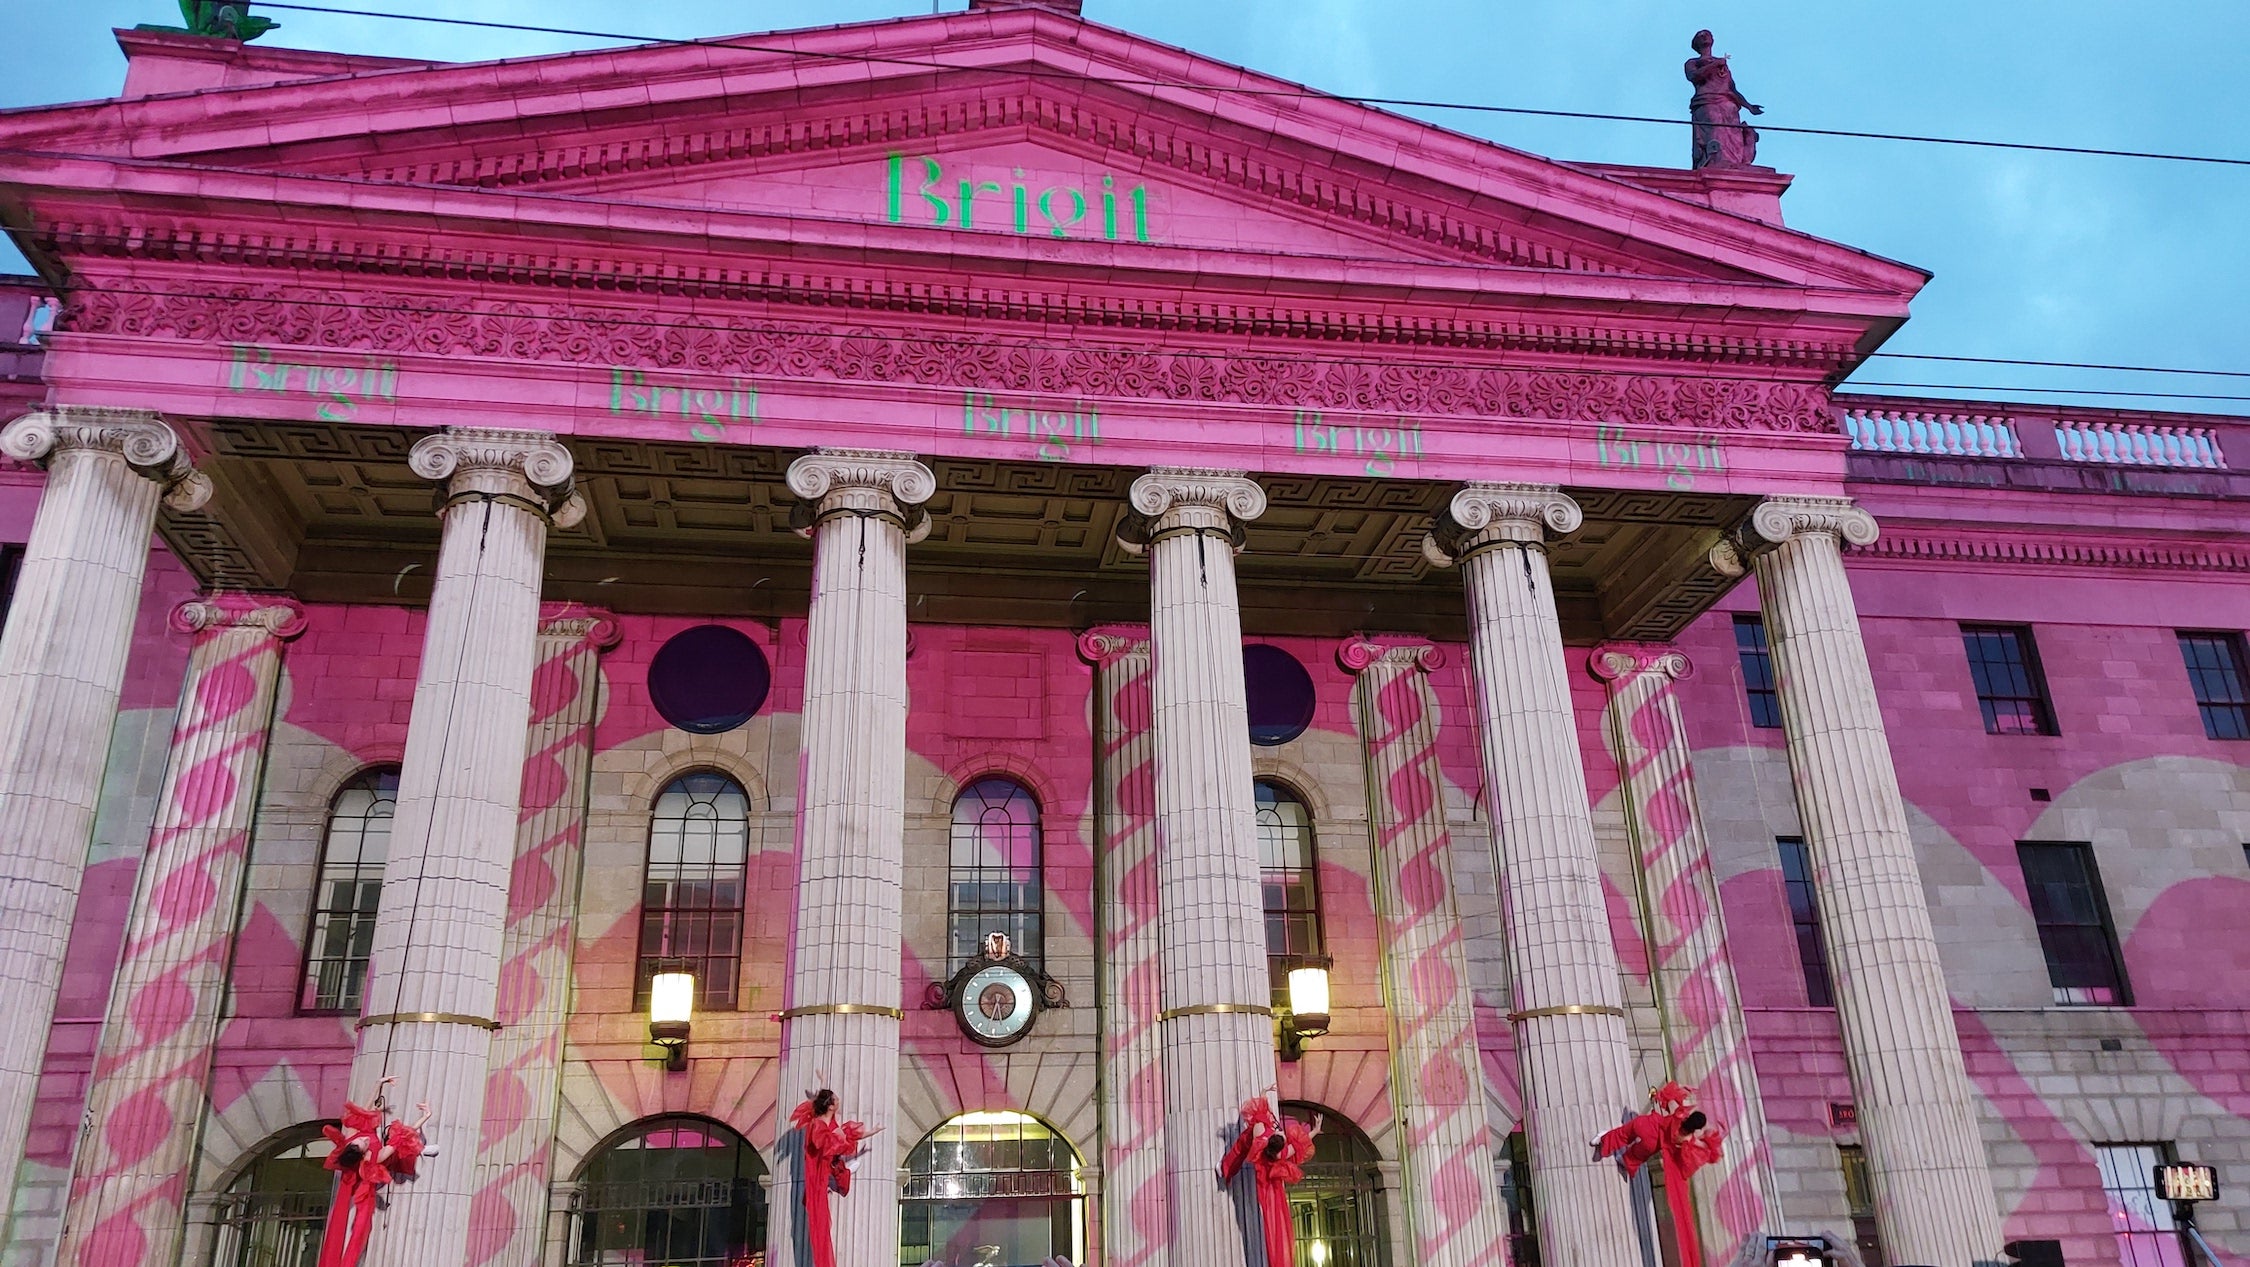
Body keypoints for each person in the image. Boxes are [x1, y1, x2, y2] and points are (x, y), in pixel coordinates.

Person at [316, 1077, 433, 1267]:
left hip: (371, 1154)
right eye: (362, 1144)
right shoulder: (374, 1158)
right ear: (361, 1154)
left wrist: (378, 1083)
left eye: (359, 1141)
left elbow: (365, 1109)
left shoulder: (352, 1135)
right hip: (375, 1169)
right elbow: (402, 1137)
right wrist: (425, 1117)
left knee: (367, 1117)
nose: (364, 1141)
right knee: (361, 1222)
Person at [1217, 1095, 1321, 1267]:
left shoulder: (1260, 1137)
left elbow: (1259, 1115)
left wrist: (1264, 1093)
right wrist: (1315, 1131)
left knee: (1275, 1224)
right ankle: (1225, 1168)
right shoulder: (1279, 1153)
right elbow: (1300, 1143)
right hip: (1270, 1186)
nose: (1281, 1131)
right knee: (1277, 1224)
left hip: (1266, 1184)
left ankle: (1225, 1167)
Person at [790, 1088, 882, 1267]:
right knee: (820, 1224)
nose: (839, 1101)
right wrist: (838, 1136)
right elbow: (822, 1143)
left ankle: (841, 1173)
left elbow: (849, 1134)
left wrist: (872, 1131)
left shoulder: (829, 1122)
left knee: (843, 1136)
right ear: (830, 1105)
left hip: (829, 1167)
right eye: (836, 1100)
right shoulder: (818, 1125)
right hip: (819, 1173)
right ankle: (841, 1174)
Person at [1685, 30, 1763, 168]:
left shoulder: (1722, 64)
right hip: (1707, 101)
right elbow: (1694, 76)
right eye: (1700, 36)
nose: (1704, 37)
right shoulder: (1692, 62)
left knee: (1734, 135)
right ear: (1696, 43)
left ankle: (1735, 163)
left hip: (1728, 102)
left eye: (1707, 34)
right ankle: (1717, 162)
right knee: (1716, 131)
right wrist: (1714, 65)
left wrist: (1749, 106)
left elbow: (1731, 88)